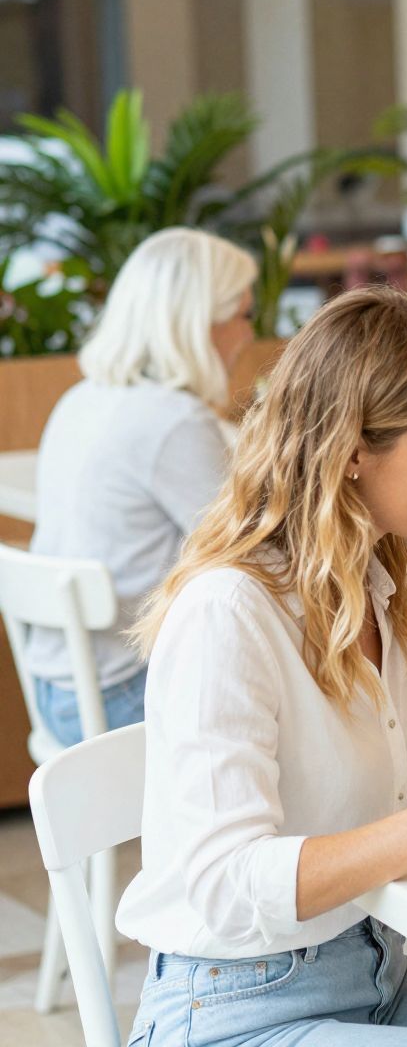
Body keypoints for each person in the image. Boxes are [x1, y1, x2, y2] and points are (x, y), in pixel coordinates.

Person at [118, 287, 407, 1046]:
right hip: (237, 1012)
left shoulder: (381, 586)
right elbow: (225, 885)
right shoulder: (229, 612)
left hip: (377, 973)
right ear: (354, 449)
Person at [24, 228, 254, 746]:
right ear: (202, 325)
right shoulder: (172, 420)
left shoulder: (82, 398)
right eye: (243, 315)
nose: (247, 334)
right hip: (121, 699)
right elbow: (257, 549)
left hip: (60, 691)